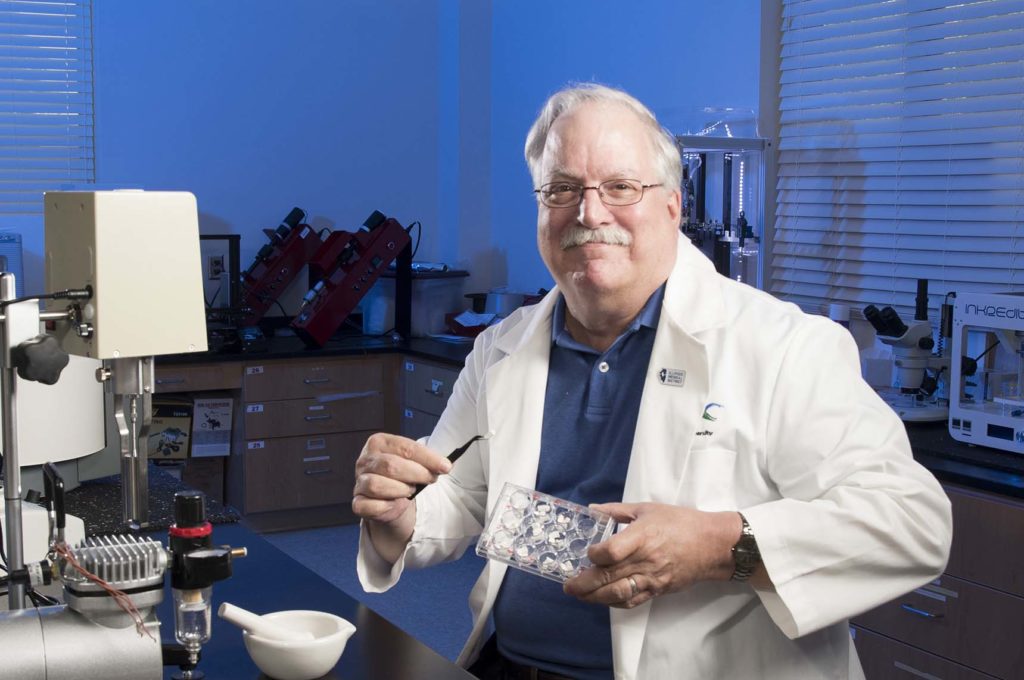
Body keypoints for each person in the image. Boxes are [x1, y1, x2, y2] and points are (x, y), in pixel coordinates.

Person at [353, 83, 952, 680]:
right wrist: (400, 515)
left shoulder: (783, 346)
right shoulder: (501, 348)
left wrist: (723, 546)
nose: (589, 213)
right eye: (562, 189)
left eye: (620, 187)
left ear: (672, 206)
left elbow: (913, 523)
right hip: (513, 664)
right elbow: (460, 493)